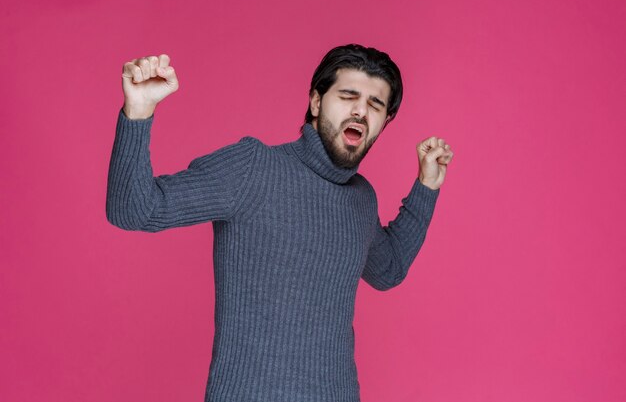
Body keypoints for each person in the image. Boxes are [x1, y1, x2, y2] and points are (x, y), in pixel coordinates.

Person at [106, 44, 454, 402]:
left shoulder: (361, 198)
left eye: (375, 105)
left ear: (385, 122)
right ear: (317, 103)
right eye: (348, 96)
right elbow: (133, 209)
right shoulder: (253, 168)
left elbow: (388, 270)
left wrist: (426, 187)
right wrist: (138, 111)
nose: (361, 111)